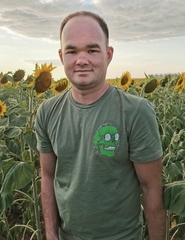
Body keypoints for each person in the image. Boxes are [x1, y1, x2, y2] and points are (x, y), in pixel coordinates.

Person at [35, 10, 167, 240]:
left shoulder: (135, 111)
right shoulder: (48, 111)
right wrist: (50, 234)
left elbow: (151, 189)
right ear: (61, 56)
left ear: (108, 54)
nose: (82, 59)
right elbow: (48, 176)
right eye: (72, 51)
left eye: (92, 50)